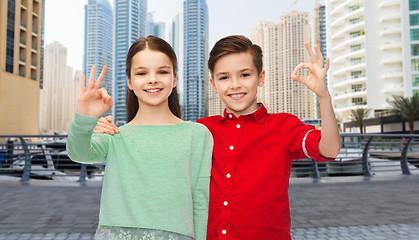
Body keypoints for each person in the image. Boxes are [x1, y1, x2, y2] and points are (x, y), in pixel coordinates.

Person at [93, 35, 341, 240]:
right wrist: (105, 130)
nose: (235, 85)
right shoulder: (200, 130)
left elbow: (329, 149)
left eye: (245, 75)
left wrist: (323, 96)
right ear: (213, 83)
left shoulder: (282, 126)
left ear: (261, 77)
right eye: (224, 77)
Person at [66, 36, 213, 240]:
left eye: (162, 71)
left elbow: (201, 200)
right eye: (142, 72)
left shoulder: (197, 134)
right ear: (129, 82)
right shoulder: (115, 135)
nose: (152, 79)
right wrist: (85, 117)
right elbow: (78, 152)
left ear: (175, 78)